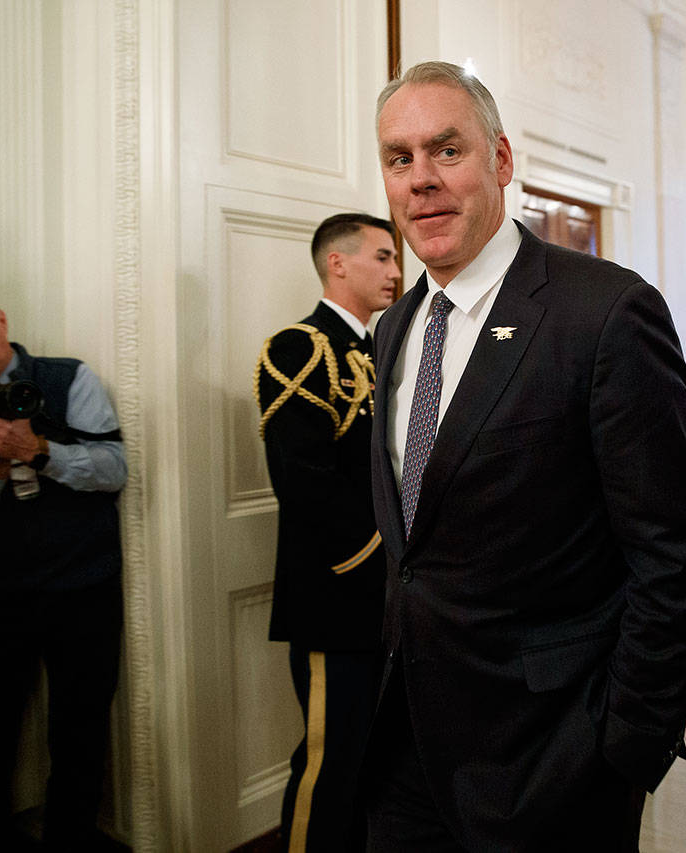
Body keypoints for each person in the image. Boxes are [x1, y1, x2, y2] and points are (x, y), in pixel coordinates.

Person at [365, 61, 686, 850]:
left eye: (445, 151)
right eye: (399, 158)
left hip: (553, 755)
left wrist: (624, 745)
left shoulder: (604, 312)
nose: (420, 180)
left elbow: (676, 550)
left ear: (500, 160)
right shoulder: (395, 329)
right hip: (406, 744)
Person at [0, 283, 126, 849]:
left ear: (1, 320)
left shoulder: (67, 378)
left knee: (80, 733)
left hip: (84, 588)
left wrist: (34, 449)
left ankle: (70, 841)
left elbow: (114, 468)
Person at [254, 213, 399, 851]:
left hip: (388, 600)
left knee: (375, 758)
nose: (397, 272)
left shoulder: (382, 348)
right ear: (337, 263)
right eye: (383, 257)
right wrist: (379, 560)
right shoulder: (300, 347)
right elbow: (304, 480)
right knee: (328, 758)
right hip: (337, 596)